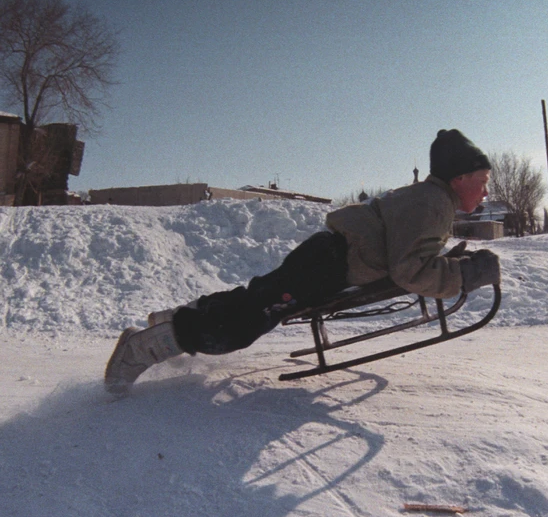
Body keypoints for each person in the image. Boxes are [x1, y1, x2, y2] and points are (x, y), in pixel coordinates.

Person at [104, 129, 501, 394]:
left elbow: (408, 254)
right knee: (244, 325)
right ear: (458, 178)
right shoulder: (434, 205)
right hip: (328, 266)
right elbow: (410, 270)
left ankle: (175, 318)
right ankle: (144, 348)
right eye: (482, 181)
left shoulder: (429, 199)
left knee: (255, 299)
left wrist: (448, 263)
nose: (485, 192)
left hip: (327, 256)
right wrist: (465, 275)